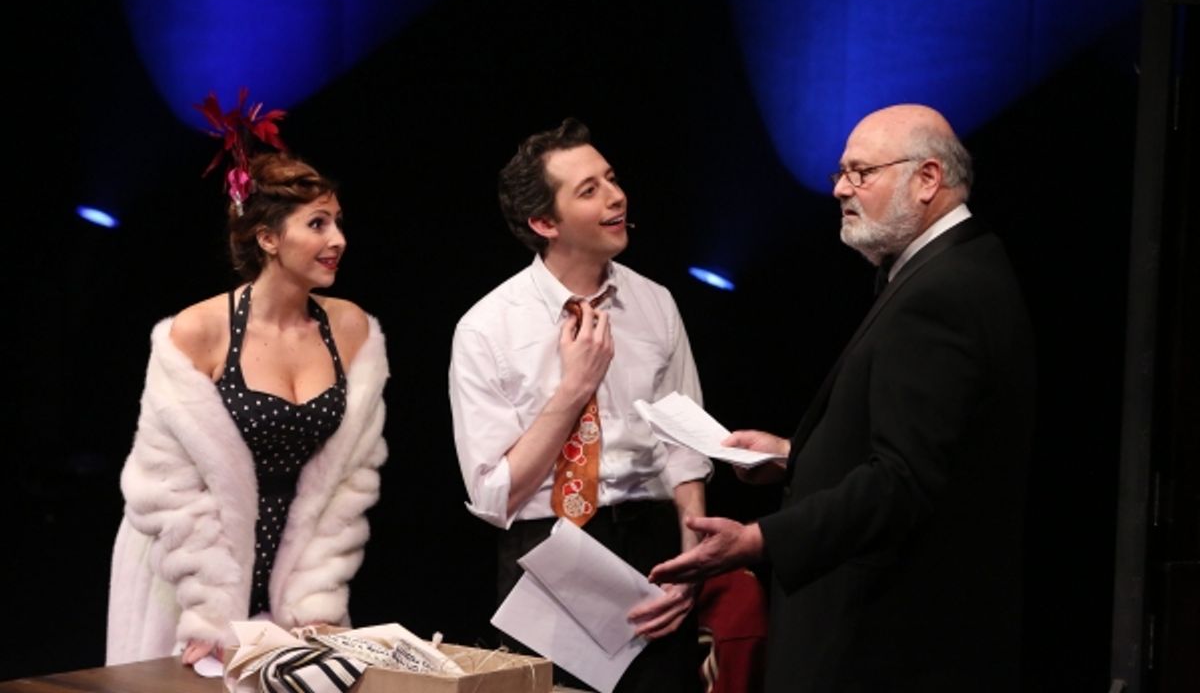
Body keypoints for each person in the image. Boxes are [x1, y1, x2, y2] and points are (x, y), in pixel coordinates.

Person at [649, 104, 1036, 692]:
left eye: (860, 173)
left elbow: (903, 480)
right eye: (840, 173)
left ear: (927, 179)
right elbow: (927, 442)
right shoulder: (952, 264)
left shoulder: (944, 291)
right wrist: (792, 455)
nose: (839, 189)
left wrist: (757, 540)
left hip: (892, 638)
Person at [106, 97, 388, 666]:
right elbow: (166, 487)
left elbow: (349, 484)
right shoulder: (198, 332)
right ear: (267, 238)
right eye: (317, 224)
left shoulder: (351, 328)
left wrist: (318, 596)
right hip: (185, 575)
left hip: (298, 576)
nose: (338, 239)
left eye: (337, 222)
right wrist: (208, 610)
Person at [449, 118, 712, 692]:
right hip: (548, 553)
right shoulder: (487, 327)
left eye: (611, 179)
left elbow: (684, 445)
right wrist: (573, 390)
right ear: (545, 222)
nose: (615, 196)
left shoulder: (655, 303)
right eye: (588, 190)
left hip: (651, 543)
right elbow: (494, 495)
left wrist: (691, 557)